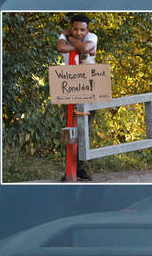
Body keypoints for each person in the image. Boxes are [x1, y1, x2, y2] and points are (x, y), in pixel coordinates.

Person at [56, 14, 97, 181]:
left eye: (82, 30)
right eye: (75, 29)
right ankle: (69, 169)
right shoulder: (63, 36)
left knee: (85, 130)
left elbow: (88, 49)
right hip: (70, 87)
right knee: (69, 128)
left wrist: (70, 39)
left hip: (89, 88)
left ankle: (79, 168)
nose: (79, 32)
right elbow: (61, 48)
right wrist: (80, 46)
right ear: (71, 27)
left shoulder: (92, 36)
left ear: (87, 30)